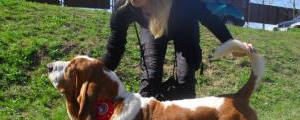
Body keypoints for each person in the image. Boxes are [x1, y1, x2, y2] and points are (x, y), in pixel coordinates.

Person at [102, 0, 253, 101]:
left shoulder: (185, 3)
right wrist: (95, 69)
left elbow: (209, 19)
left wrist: (232, 45)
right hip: (152, 29)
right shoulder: (123, 8)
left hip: (185, 26)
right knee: (151, 78)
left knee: (185, 79)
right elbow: (115, 50)